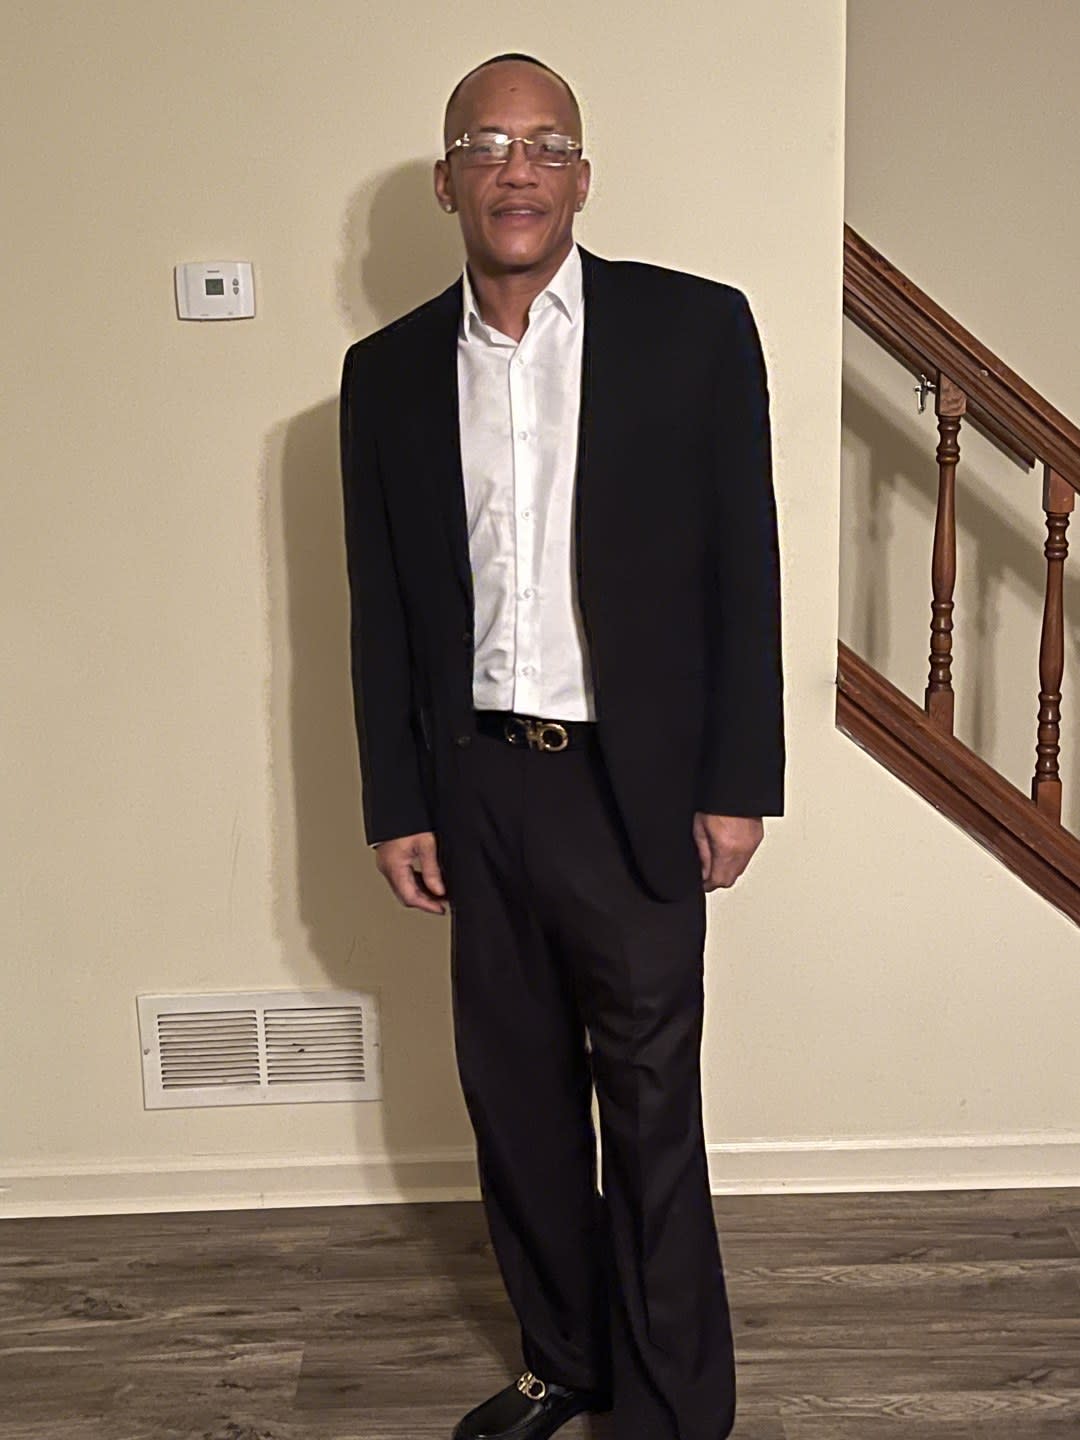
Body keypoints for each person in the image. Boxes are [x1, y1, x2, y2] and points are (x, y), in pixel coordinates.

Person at [339, 52, 784, 1440]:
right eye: (486, 145)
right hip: (476, 781)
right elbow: (380, 607)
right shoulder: (385, 374)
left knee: (650, 1109)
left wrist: (738, 781)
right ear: (447, 182)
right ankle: (566, 1361)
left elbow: (746, 567)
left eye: (543, 145)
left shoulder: (694, 330)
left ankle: (672, 1409)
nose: (516, 169)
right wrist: (398, 798)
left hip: (630, 786)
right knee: (517, 1105)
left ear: (582, 176)